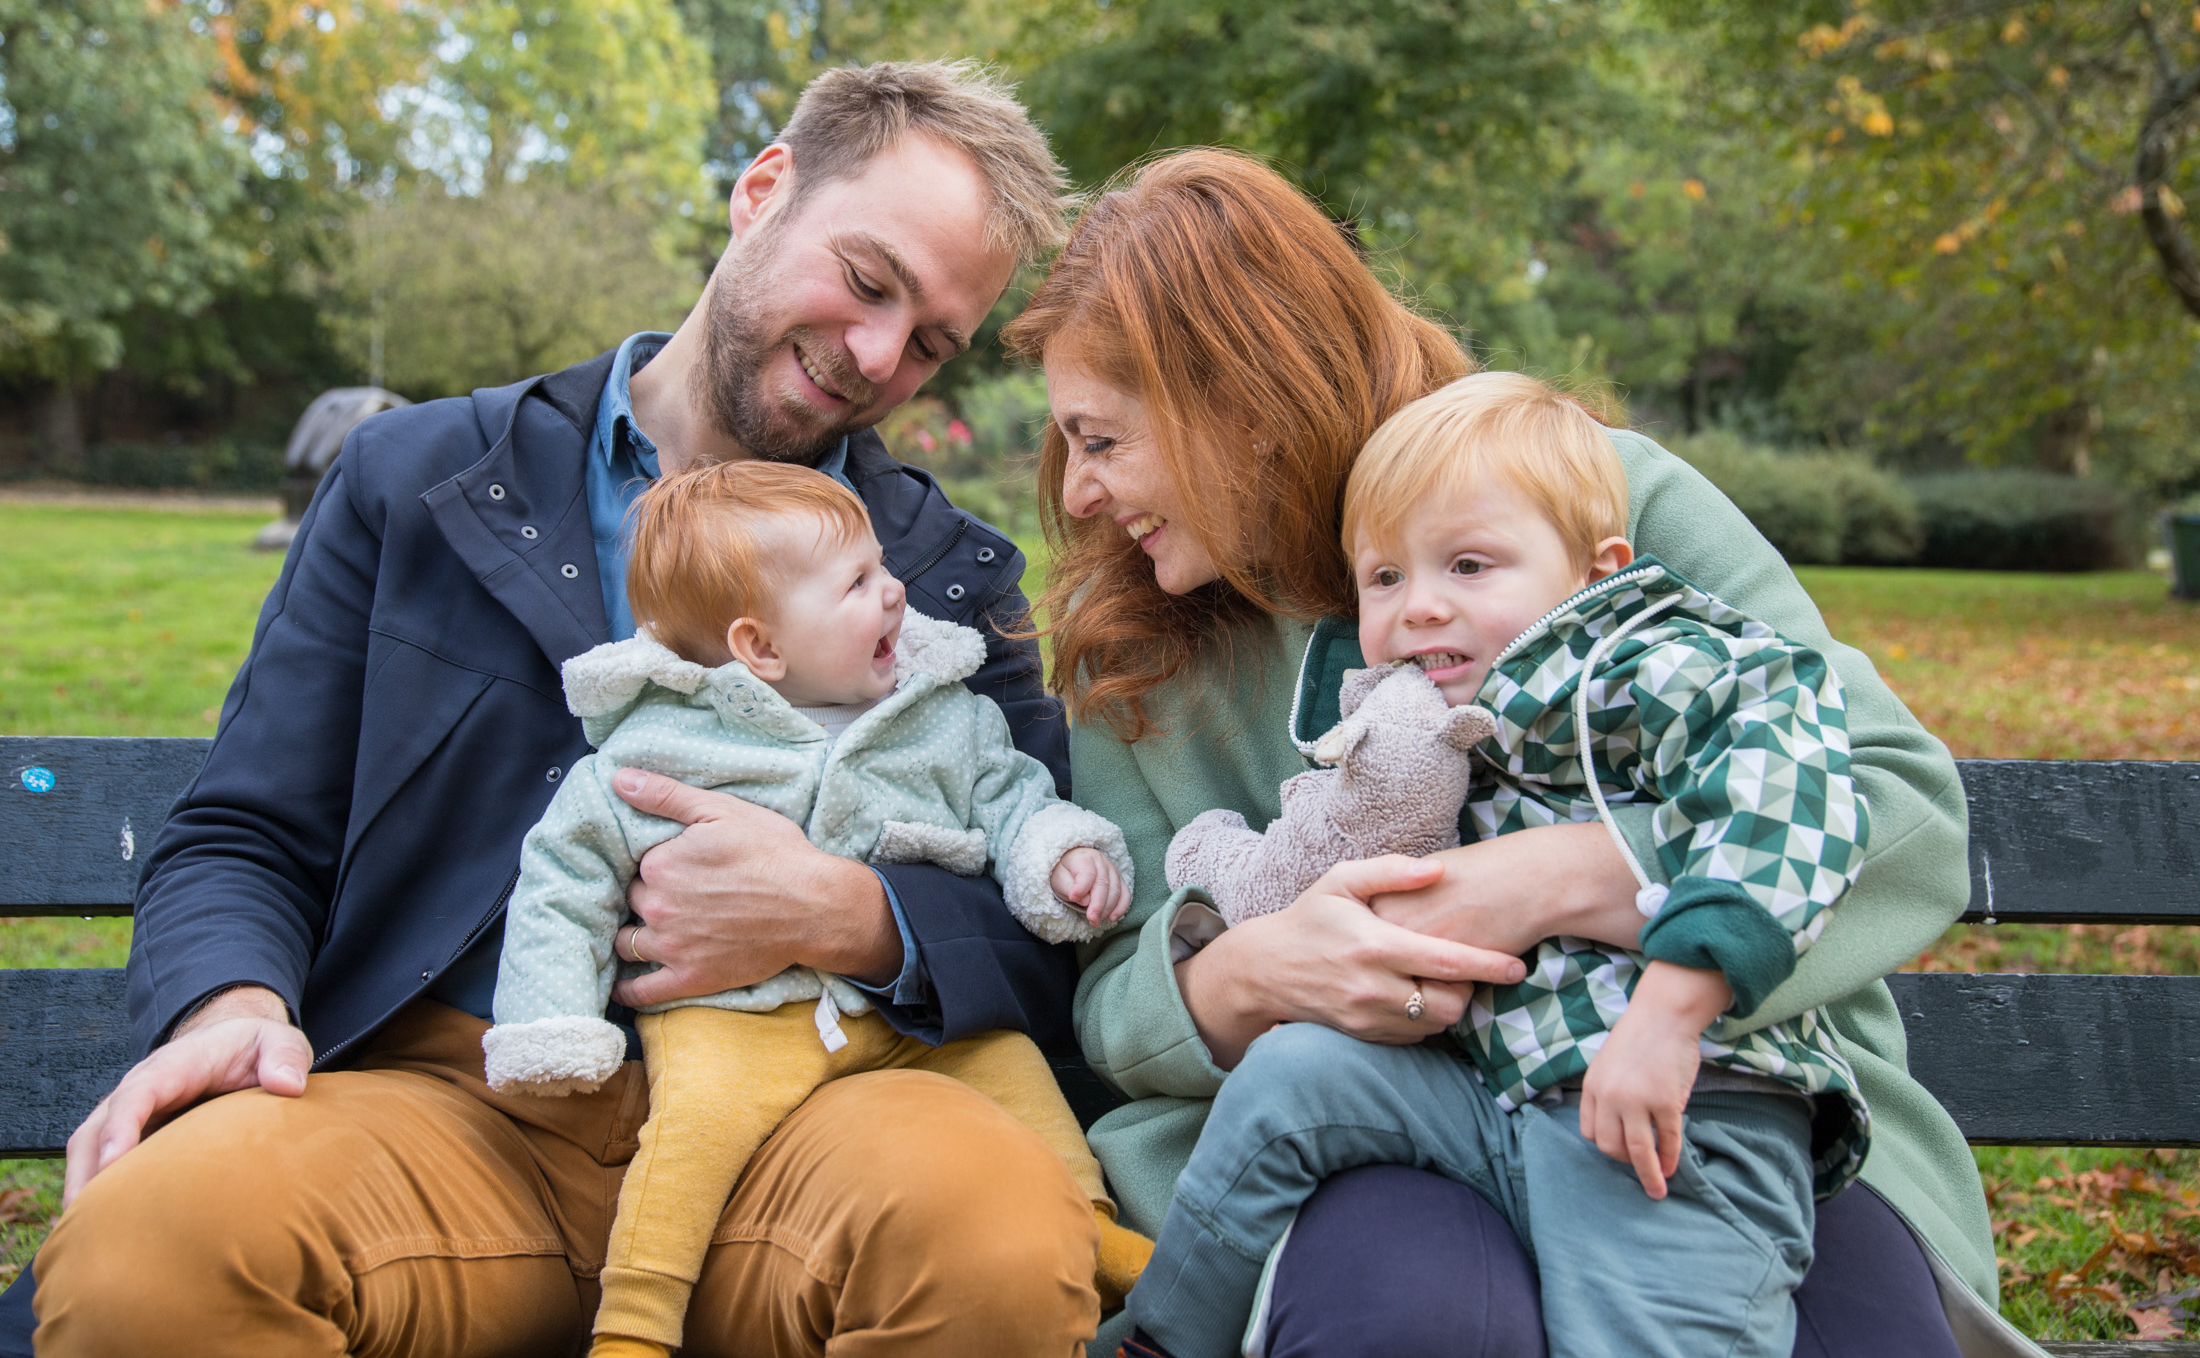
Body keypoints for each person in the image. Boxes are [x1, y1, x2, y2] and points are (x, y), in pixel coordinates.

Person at [12, 61, 1109, 1358]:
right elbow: (244, 830)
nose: (879, 355)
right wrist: (233, 1009)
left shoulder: (943, 573)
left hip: (812, 1110)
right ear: (762, 191)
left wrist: (856, 914)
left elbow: (1046, 916)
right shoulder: (413, 479)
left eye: (931, 340)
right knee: (158, 1253)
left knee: (992, 1243)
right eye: (869, 281)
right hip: (445, 1108)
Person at [1007, 148, 2044, 1357]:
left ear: (1233, 394)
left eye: (1101, 440)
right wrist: (1251, 977)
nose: (1076, 494)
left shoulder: (1587, 499)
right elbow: (1116, 996)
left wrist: (1545, 881)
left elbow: (1895, 802)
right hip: (1379, 1130)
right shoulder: (1140, 656)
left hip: (1722, 1099)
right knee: (1404, 1322)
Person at [1127, 375, 1872, 1358]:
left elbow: (1796, 795)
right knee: (1292, 1078)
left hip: (1669, 1110)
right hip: (1495, 1097)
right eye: (1384, 578)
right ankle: (1159, 1338)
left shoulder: (1639, 661)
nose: (1420, 607)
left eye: (1469, 565)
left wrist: (1670, 1013)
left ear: (1592, 571)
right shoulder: (1427, 719)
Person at [485, 460, 1147, 1356]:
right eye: (860, 582)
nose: (895, 593)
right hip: (732, 1017)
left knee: (1013, 1070)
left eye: (884, 565)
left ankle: (1092, 1226)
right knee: (690, 1138)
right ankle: (636, 1320)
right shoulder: (662, 745)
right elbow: (565, 873)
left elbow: (1011, 793)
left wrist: (1062, 855)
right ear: (760, 647)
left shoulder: (937, 714)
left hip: (906, 1021)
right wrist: (549, 1017)